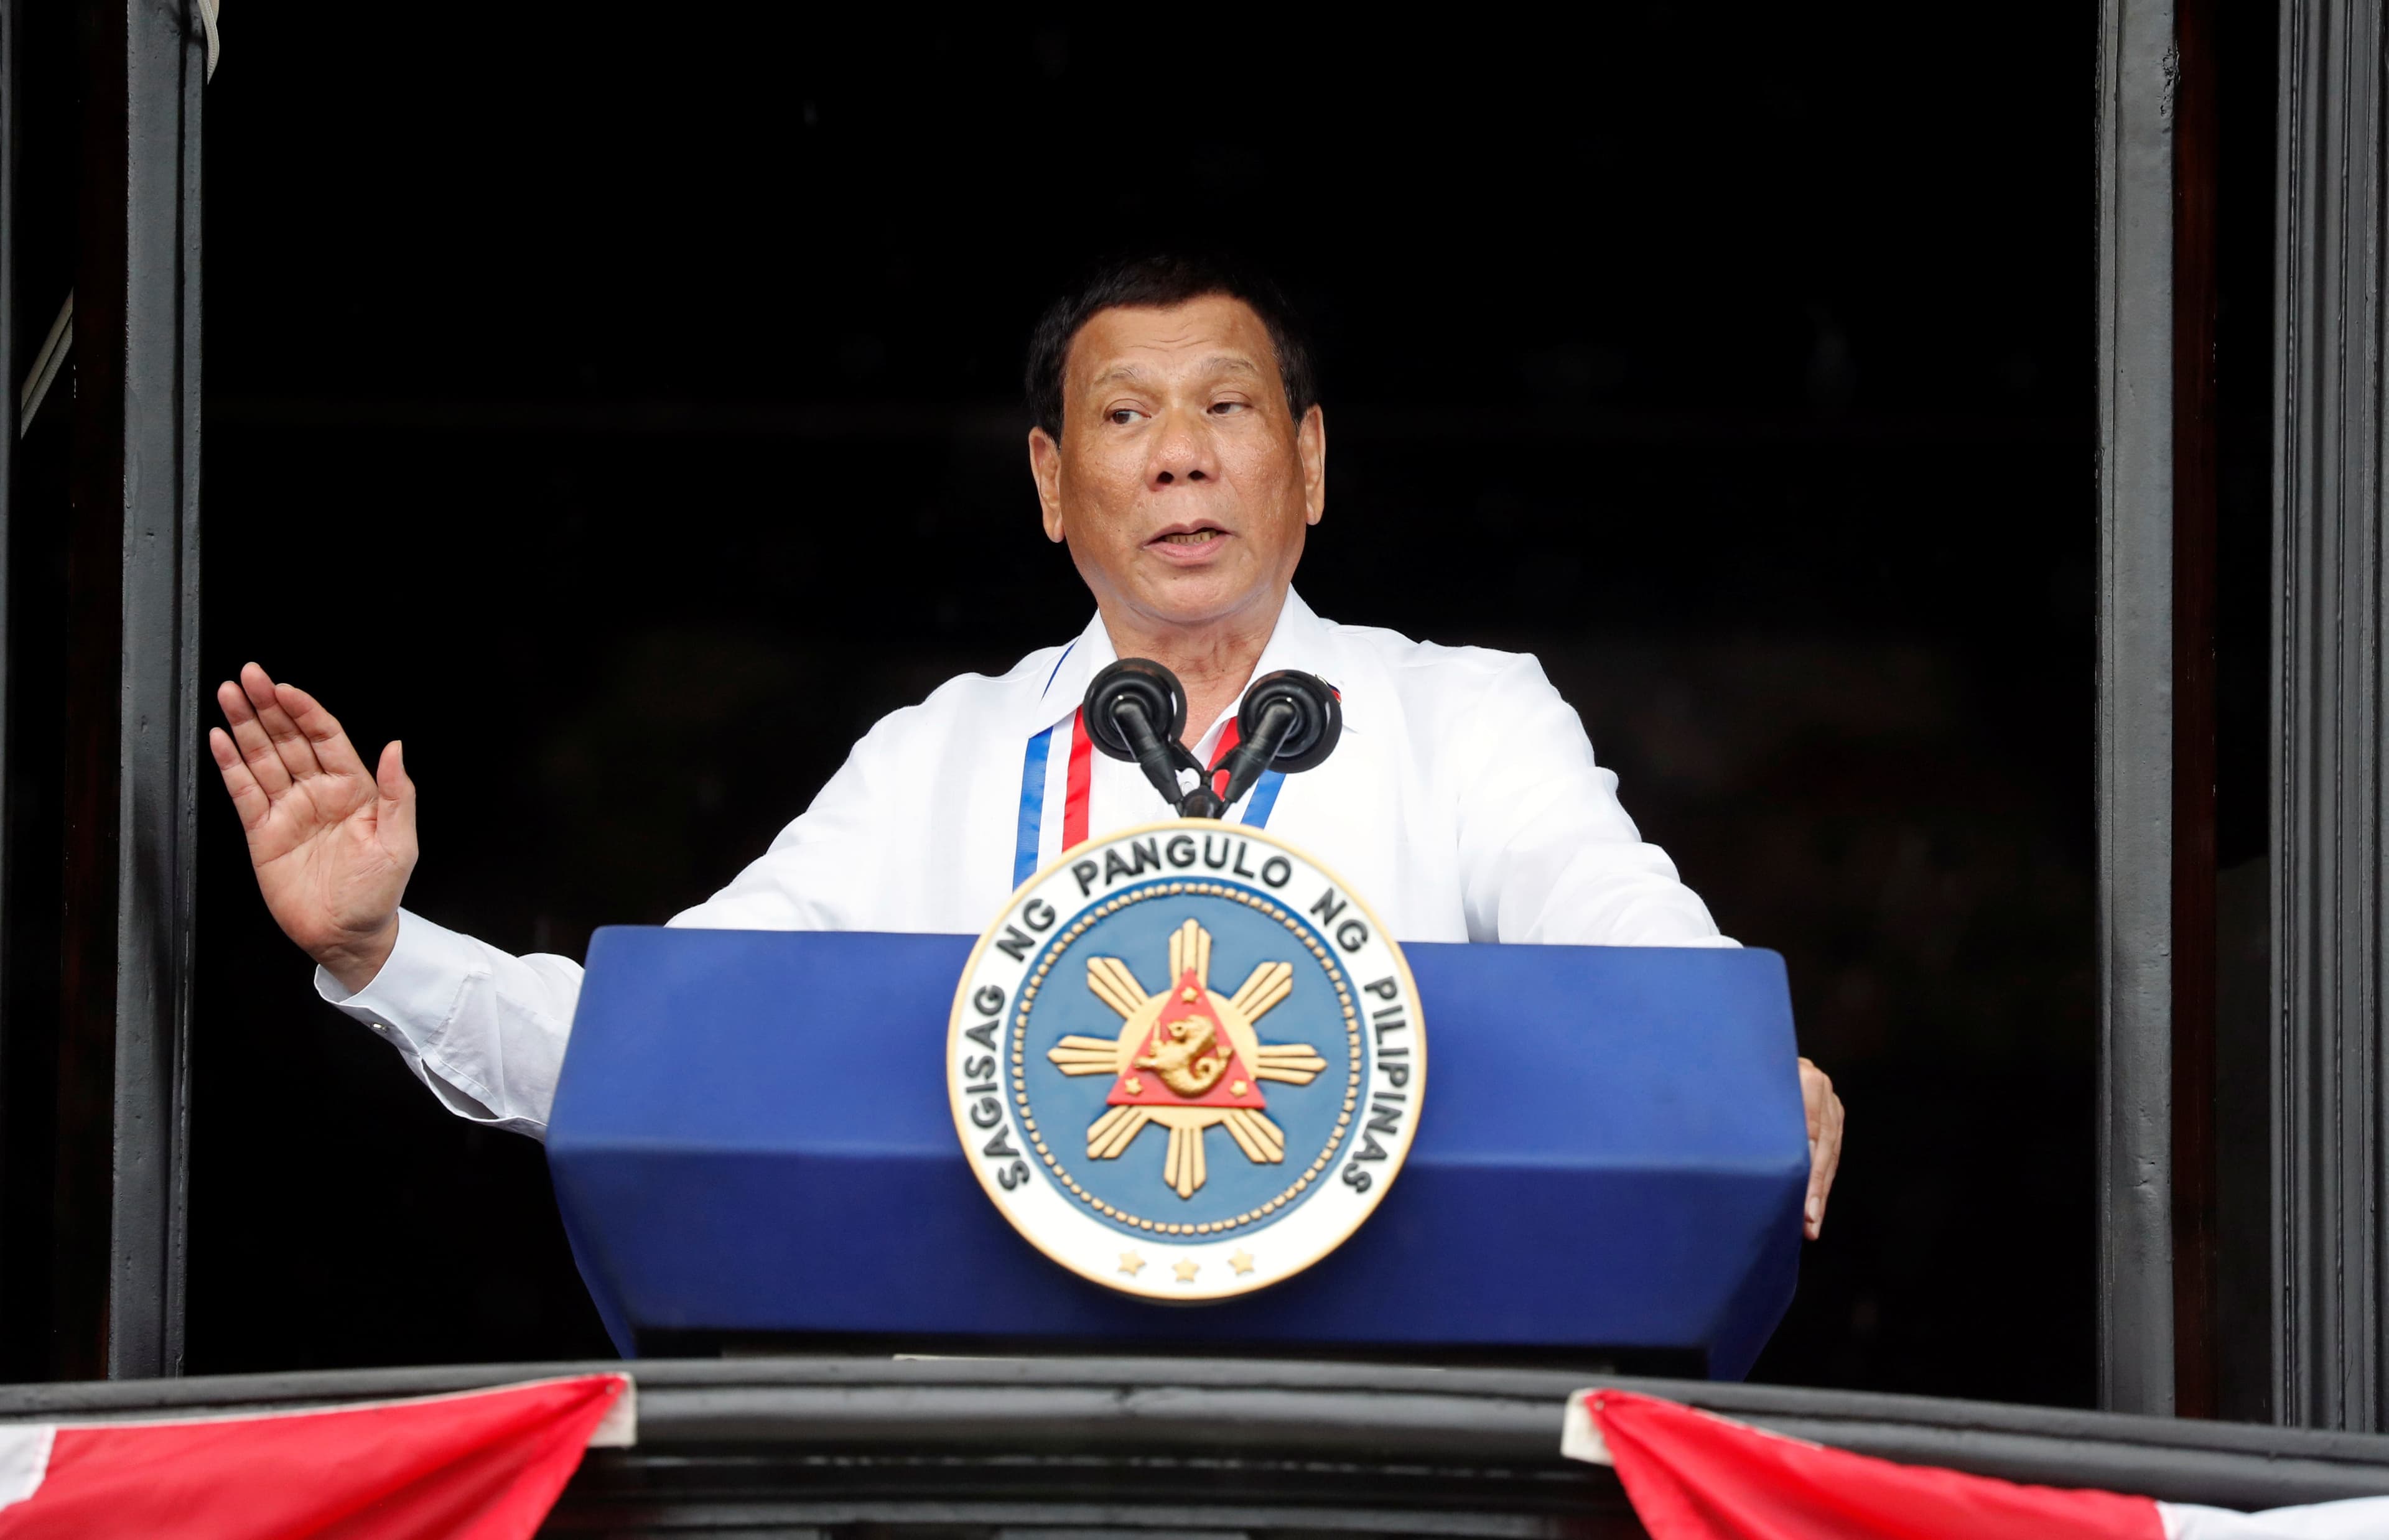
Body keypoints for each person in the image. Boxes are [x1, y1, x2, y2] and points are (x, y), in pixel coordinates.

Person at [209, 254, 1846, 1238]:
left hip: (1374, 1437)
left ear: (1312, 460)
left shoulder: (1463, 713)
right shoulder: (940, 755)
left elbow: (1603, 909)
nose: (1182, 457)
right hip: (999, 1451)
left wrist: (1725, 1065)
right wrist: (383, 946)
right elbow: (672, 1039)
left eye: (1229, 408)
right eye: (1127, 418)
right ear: (1056, 483)